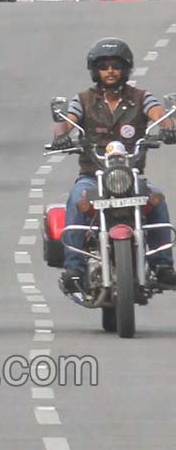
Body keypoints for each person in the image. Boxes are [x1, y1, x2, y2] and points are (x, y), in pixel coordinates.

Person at [51, 38, 176, 287]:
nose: (110, 71)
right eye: (104, 66)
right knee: (77, 200)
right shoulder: (84, 99)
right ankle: (74, 269)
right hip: (93, 176)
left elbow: (158, 113)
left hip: (131, 175)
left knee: (157, 198)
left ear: (126, 69)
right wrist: (61, 135)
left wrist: (168, 127)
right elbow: (67, 120)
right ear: (95, 70)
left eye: (116, 65)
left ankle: (163, 264)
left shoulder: (140, 97)